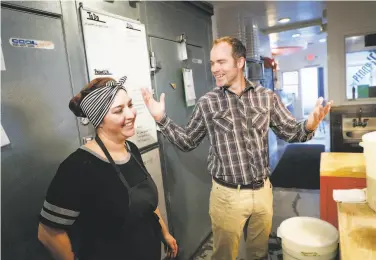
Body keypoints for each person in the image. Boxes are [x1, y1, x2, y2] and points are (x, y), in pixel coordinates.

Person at [141, 37, 332, 260]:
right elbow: (187, 141)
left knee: (259, 253)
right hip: (227, 196)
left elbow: (290, 131)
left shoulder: (265, 97)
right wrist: (161, 119)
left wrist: (309, 125)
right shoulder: (208, 102)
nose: (215, 69)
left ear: (240, 62)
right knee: (224, 256)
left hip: (262, 192)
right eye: (212, 63)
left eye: (221, 62)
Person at [38, 76, 178, 260]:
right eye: (118, 110)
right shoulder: (78, 166)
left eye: (129, 105)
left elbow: (147, 204)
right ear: (99, 120)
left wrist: (164, 233)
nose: (130, 114)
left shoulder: (131, 150)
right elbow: (48, 233)